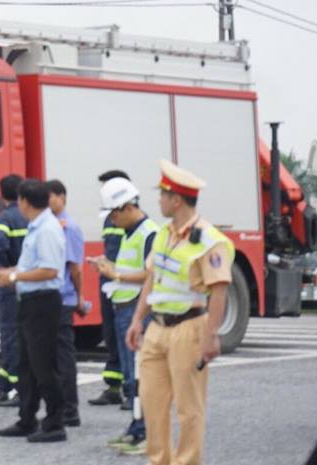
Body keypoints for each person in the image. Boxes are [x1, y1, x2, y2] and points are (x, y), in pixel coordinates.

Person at [125, 160, 233, 465]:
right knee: (153, 405)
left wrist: (212, 335)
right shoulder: (162, 234)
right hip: (157, 327)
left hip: (189, 328)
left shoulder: (209, 240)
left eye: (162, 194)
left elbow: (220, 290)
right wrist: (137, 320)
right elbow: (151, 278)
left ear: (176, 199)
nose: (158, 200)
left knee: (189, 409)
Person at [0, 178, 68, 444]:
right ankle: (27, 418)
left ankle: (55, 422)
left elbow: (49, 270)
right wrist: (11, 272)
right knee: (26, 365)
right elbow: (32, 265)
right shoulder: (37, 226)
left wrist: (14, 279)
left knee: (43, 365)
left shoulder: (46, 229)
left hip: (43, 302)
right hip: (31, 301)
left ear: (25, 202)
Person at [91, 176, 159, 455]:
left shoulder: (149, 232)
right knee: (132, 375)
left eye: (113, 215)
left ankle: (147, 434)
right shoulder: (132, 231)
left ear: (126, 207)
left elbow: (151, 274)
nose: (111, 221)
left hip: (137, 311)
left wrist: (114, 273)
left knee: (143, 374)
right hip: (124, 308)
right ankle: (136, 428)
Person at [46, 179, 87, 428]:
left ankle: (70, 410)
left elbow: (75, 268)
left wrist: (80, 298)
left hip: (64, 298)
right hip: (55, 298)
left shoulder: (68, 227)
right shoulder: (52, 225)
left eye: (51, 196)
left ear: (62, 197)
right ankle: (63, 408)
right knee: (54, 356)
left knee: (63, 357)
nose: (48, 201)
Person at [90, 169, 128, 406]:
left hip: (125, 284)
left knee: (126, 338)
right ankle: (114, 386)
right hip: (109, 282)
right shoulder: (109, 218)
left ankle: (132, 390)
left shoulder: (133, 220)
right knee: (111, 335)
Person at [0, 173, 27, 406]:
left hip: (11, 283)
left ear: (2, 195)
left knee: (11, 335)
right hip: (29, 280)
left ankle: (17, 387)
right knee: (22, 335)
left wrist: (5, 263)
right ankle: (4, 385)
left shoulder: (5, 217)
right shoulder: (28, 216)